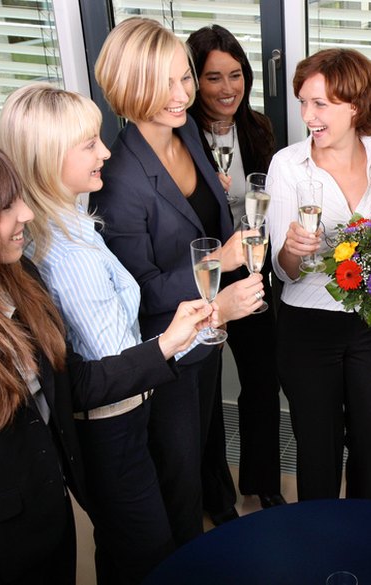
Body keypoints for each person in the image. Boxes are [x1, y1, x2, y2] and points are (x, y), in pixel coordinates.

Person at [0, 140, 211, 585]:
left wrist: (167, 344)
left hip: (52, 515)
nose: (25, 214)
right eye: (6, 207)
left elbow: (74, 382)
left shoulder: (19, 278)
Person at [91, 17, 265, 546]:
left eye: (184, 77)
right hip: (166, 346)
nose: (182, 94)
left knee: (206, 442)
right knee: (178, 471)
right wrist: (219, 265)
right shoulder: (119, 180)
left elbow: (207, 215)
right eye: (165, 82)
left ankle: (212, 529)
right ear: (128, 86)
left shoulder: (184, 130)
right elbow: (137, 288)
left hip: (207, 334)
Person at [268, 48, 371, 501]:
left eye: (320, 104)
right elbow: (283, 272)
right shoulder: (287, 166)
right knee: (319, 451)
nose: (308, 115)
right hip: (308, 325)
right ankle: (319, 550)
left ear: (355, 105)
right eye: (303, 102)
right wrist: (291, 251)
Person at [187, 24, 285, 514]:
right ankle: (216, 495)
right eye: (213, 77)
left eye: (236, 75)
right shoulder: (182, 138)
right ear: (193, 81)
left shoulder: (258, 128)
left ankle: (262, 481)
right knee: (203, 387)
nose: (228, 88)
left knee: (262, 378)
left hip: (249, 270)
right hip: (204, 270)